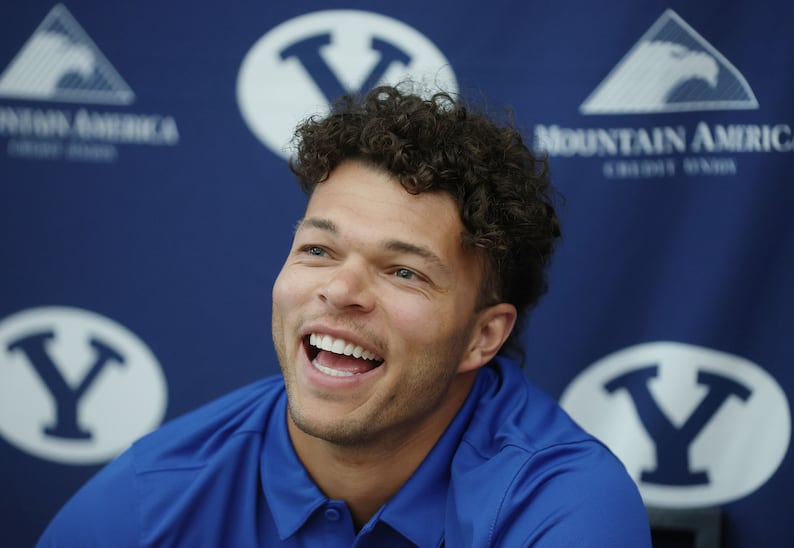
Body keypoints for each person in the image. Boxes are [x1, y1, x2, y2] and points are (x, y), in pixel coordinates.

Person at [38, 85, 652, 547]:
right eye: (318, 250)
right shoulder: (152, 494)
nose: (341, 289)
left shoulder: (564, 506)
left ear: (482, 336)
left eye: (403, 271)